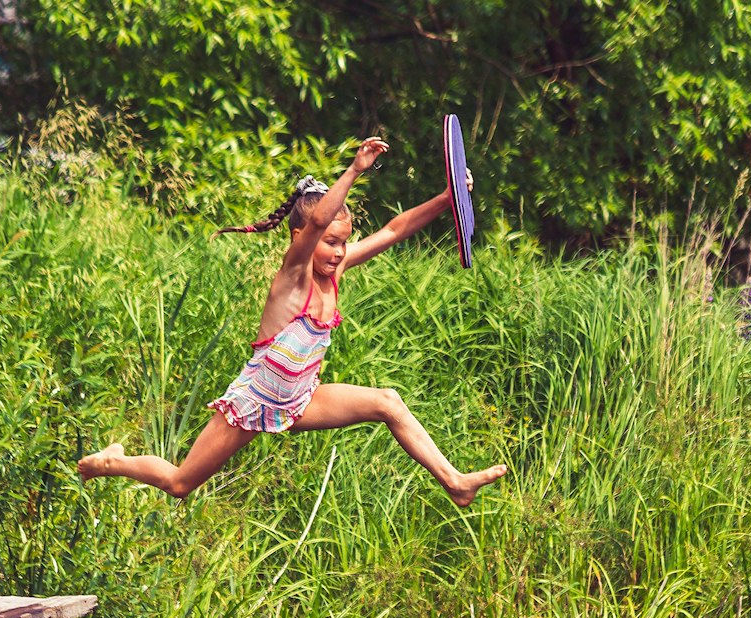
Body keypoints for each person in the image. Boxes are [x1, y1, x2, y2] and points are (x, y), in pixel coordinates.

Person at [77, 137, 508, 507]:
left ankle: (454, 481)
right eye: (330, 244)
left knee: (387, 402)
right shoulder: (293, 276)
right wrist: (355, 171)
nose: (339, 252)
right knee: (180, 483)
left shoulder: (335, 271)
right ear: (300, 240)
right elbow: (319, 219)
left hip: (300, 400)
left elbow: (394, 230)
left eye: (344, 243)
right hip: (255, 402)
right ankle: (112, 460)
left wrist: (447, 198)